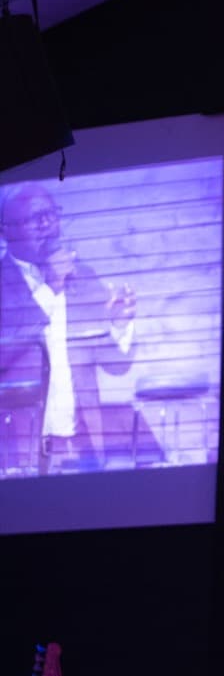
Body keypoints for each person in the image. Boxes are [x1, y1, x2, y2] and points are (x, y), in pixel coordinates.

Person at [0, 183, 136, 473]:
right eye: (35, 218)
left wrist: (119, 324)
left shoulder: (83, 276)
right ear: (6, 230)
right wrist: (49, 289)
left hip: (84, 443)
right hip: (18, 448)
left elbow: (117, 367)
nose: (47, 225)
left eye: (52, 215)